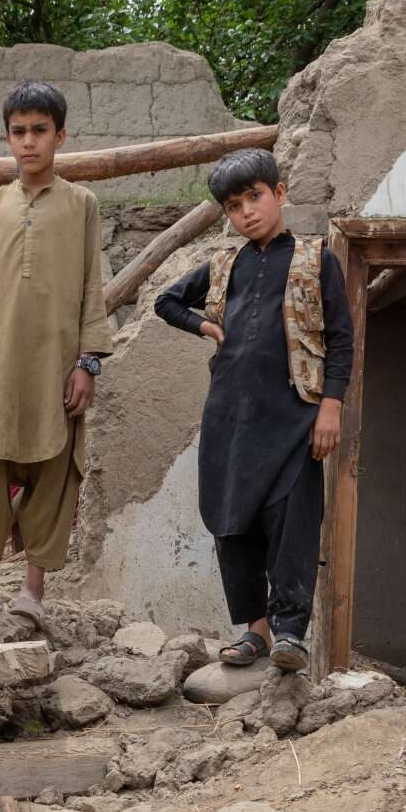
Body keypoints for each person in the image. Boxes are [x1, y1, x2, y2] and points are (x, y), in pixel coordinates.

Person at [154, 148, 354, 673]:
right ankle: (255, 632)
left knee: (292, 522)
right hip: (229, 420)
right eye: (234, 205)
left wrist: (330, 407)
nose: (247, 211)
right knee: (230, 520)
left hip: (293, 419)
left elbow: (341, 340)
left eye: (255, 197)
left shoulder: (317, 260)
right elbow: (167, 301)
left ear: (280, 194)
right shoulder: (224, 264)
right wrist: (206, 326)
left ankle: (290, 633)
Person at [0, 80, 113, 626]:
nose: (29, 142)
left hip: (54, 363)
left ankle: (33, 590)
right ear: (8, 139)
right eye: (19, 132)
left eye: (40, 131)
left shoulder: (82, 204)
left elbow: (93, 288)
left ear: (60, 136)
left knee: (55, 472)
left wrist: (87, 362)